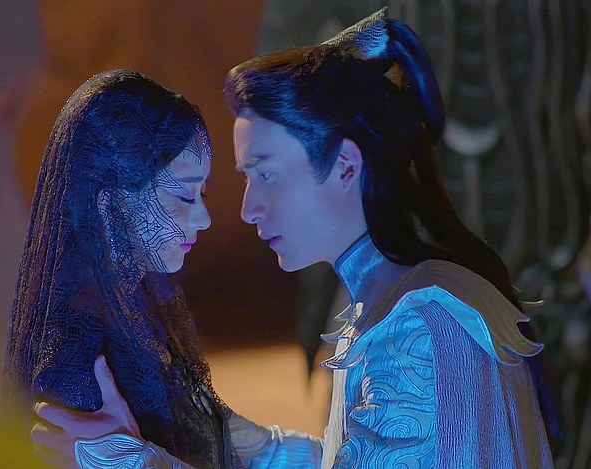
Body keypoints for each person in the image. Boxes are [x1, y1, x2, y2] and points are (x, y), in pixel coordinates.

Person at [31, 10, 556, 468]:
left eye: (266, 174)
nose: (248, 209)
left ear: (345, 165)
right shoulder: (399, 303)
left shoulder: (417, 325)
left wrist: (127, 461)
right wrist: (196, 424)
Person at [4, 69, 247, 468]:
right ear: (109, 201)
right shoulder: (77, 358)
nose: (204, 219)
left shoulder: (137, 311)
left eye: (202, 193)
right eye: (184, 194)